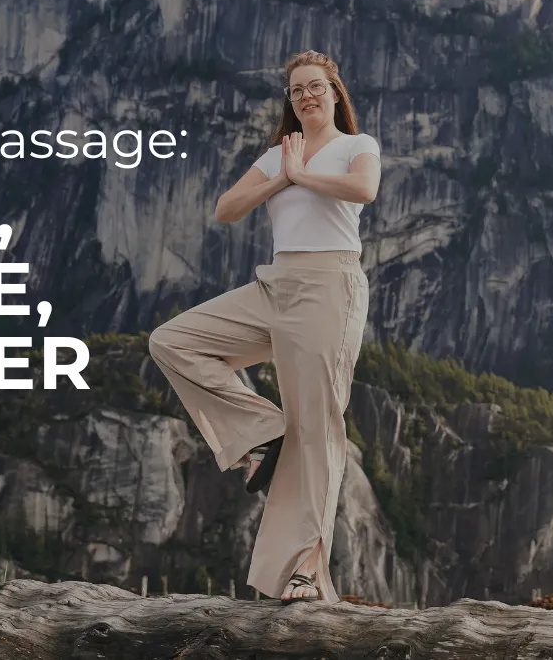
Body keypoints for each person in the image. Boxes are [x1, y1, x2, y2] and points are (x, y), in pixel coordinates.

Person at [148, 49, 381, 604]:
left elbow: (364, 191)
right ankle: (261, 431)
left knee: (318, 432)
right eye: (296, 90)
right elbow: (227, 209)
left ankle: (305, 572)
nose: (305, 96)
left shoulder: (356, 146)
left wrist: (303, 175)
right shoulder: (278, 155)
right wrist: (283, 176)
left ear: (334, 91)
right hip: (276, 284)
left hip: (329, 287)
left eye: (315, 87)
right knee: (173, 341)